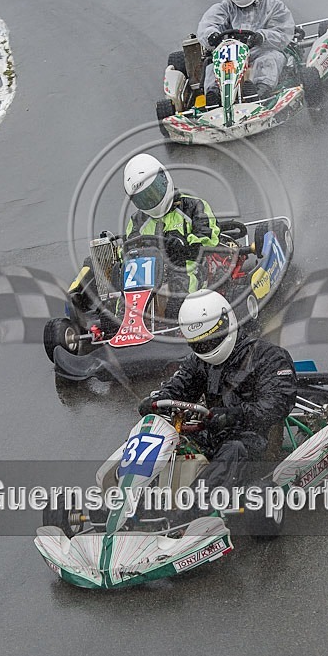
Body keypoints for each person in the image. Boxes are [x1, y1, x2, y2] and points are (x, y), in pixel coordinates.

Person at [138, 289, 298, 488]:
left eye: (211, 339)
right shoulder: (198, 362)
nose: (206, 346)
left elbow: (277, 404)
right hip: (212, 435)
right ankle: (131, 495)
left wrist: (234, 416)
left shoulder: (268, 357)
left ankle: (192, 507)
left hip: (257, 439)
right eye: (200, 343)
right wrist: (158, 400)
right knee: (167, 442)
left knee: (234, 449)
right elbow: (179, 386)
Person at [196, 0, 295, 105]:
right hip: (230, 57)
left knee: (269, 59)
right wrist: (211, 36)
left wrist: (262, 37)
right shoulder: (224, 8)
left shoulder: (273, 5)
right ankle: (214, 96)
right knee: (212, 66)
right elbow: (207, 25)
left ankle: (261, 91)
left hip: (261, 52)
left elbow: (284, 32)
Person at [123, 153, 220, 305]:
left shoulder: (193, 206)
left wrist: (183, 245)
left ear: (164, 180)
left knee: (177, 293)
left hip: (188, 266)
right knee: (126, 295)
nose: (150, 200)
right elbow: (128, 249)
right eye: (143, 198)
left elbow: (210, 239)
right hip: (150, 275)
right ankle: (123, 323)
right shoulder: (137, 221)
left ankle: (181, 317)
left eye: (153, 193)